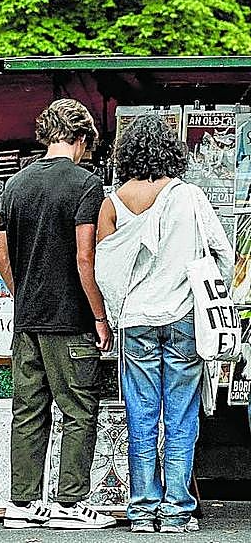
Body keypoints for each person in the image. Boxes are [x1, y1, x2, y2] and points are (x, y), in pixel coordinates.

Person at [95, 114, 234, 533]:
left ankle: (140, 510)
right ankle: (175, 510)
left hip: (135, 321)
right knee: (180, 417)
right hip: (183, 319)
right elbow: (222, 256)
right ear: (172, 152)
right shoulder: (189, 196)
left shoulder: (112, 202)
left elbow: (105, 270)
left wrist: (118, 311)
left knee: (139, 416)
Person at [0, 99, 116, 531]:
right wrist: (99, 317)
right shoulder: (87, 184)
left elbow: (2, 256)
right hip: (70, 321)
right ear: (82, 138)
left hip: (27, 319)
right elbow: (86, 258)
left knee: (28, 410)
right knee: (79, 410)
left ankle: (22, 504)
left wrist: (24, 293)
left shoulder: (14, 185)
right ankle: (71, 503)